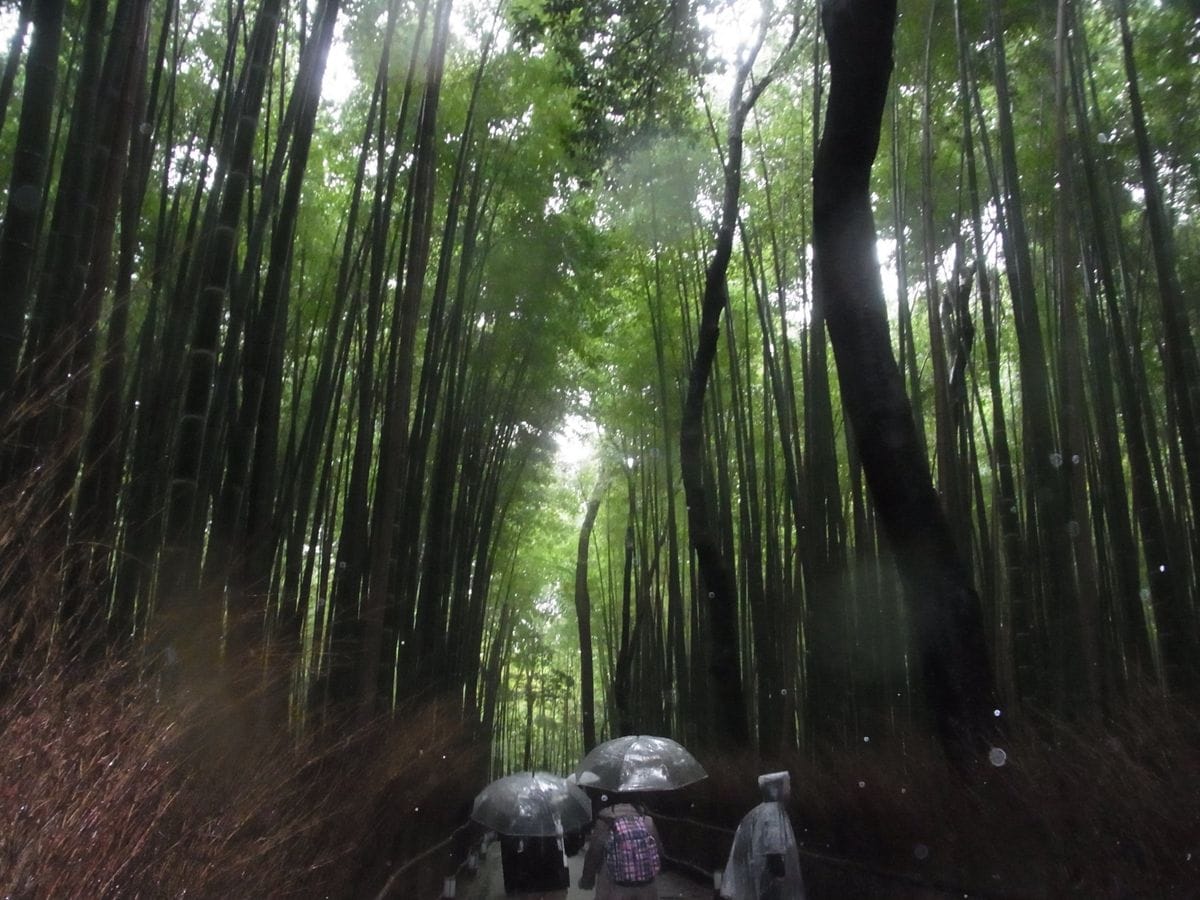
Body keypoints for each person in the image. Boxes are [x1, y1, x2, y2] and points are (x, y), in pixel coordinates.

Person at [719, 771, 805, 900]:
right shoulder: (773, 812)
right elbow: (773, 845)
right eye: (787, 786)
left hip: (757, 872)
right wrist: (779, 873)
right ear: (777, 789)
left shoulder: (758, 811)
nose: (789, 790)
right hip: (768, 875)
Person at [579, 794, 663, 899]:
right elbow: (658, 851)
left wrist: (587, 879)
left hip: (613, 888)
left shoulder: (605, 822)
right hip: (645, 888)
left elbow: (594, 853)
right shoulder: (647, 821)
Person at [499, 830, 570, 899]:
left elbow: (572, 848)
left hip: (537, 878)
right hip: (545, 877)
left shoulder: (519, 820)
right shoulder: (558, 819)